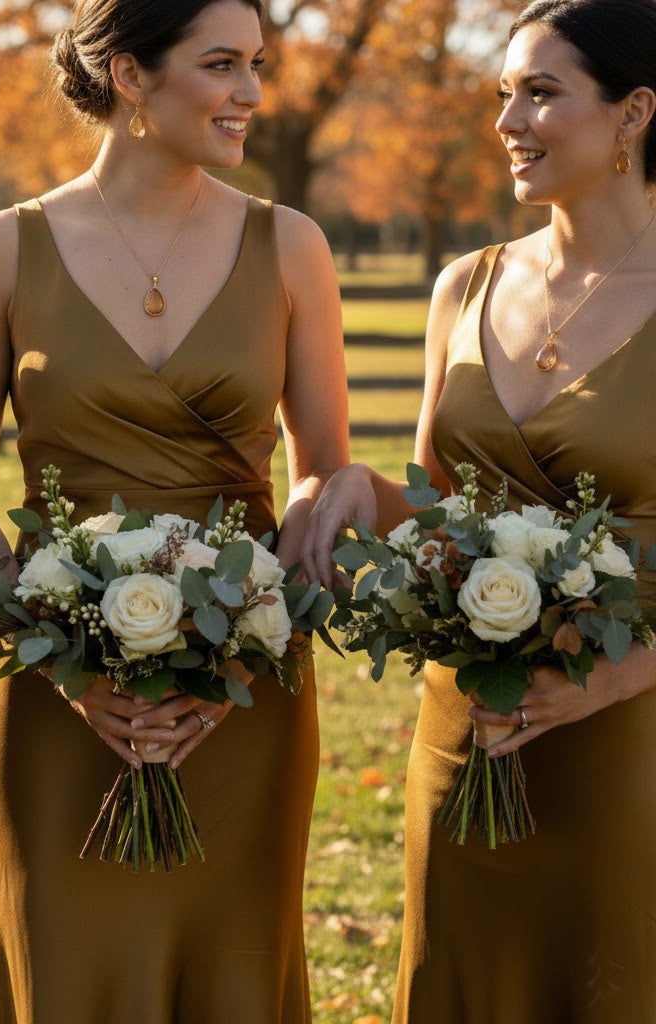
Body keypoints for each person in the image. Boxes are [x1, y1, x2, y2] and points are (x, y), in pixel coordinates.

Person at [0, 0, 350, 1018]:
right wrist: (54, 653)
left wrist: (262, 615)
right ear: (129, 75)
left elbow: (323, 466)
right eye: (221, 64)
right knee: (67, 970)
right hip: (57, 696)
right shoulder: (1, 249)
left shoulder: (290, 245)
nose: (252, 92)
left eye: (256, 62)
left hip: (242, 695)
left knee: (234, 970)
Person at [305, 1, 656, 1020]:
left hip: (628, 743)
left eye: (540, 93)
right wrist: (346, 490)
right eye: (503, 92)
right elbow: (434, 514)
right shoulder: (465, 286)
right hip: (467, 733)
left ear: (633, 112)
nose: (507, 120)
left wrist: (617, 679)